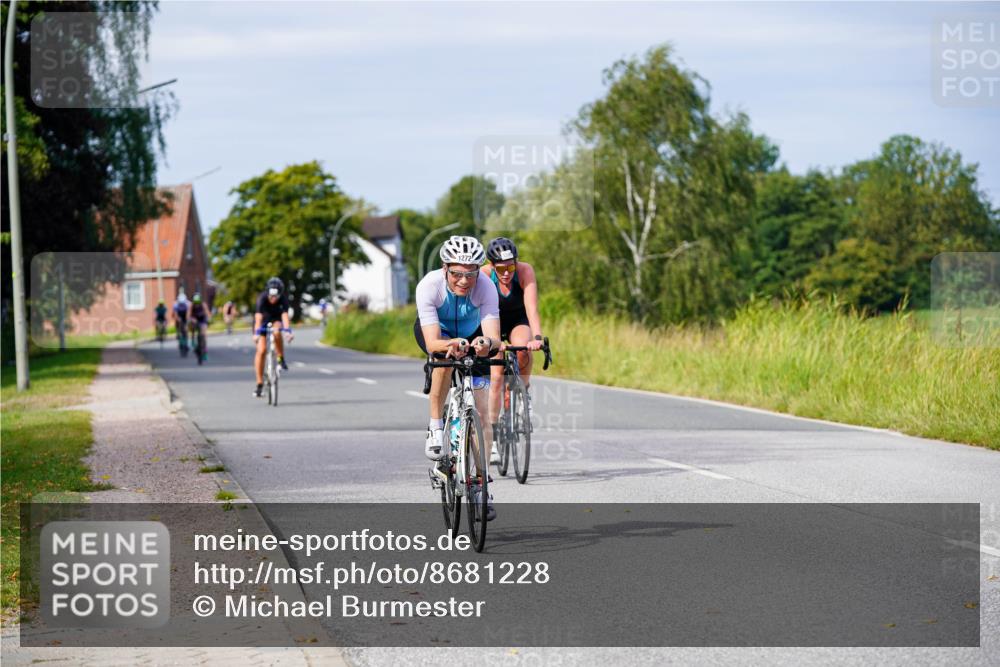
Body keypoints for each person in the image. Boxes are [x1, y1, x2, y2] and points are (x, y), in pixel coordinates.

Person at [414, 235, 502, 521]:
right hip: (437, 332)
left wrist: (486, 344)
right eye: (456, 274)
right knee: (444, 358)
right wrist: (449, 344)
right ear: (445, 269)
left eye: (471, 274)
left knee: (482, 412)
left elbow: (494, 337)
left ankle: (481, 486)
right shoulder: (429, 286)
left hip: (472, 333)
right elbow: (432, 343)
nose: (464, 281)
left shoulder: (486, 287)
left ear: (478, 271)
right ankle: (436, 425)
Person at [481, 237, 545, 460]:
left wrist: (537, 338)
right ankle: (493, 438)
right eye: (501, 269)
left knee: (523, 349)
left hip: (518, 319)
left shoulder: (525, 271)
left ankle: (523, 393)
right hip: (493, 322)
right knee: (497, 377)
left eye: (511, 267)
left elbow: (532, 309)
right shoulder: (484, 276)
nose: (507, 273)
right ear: (491, 265)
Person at [253, 277, 294, 397]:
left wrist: (288, 331)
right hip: (262, 322)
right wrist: (256, 334)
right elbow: (258, 317)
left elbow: (285, 316)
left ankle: (281, 358)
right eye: (271, 296)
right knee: (261, 351)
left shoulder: (284, 300)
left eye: (276, 296)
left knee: (277, 332)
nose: (273, 299)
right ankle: (259, 384)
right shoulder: (261, 298)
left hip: (276, 320)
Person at [188, 293, 212, 361]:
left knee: (203, 334)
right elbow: (188, 314)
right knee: (192, 327)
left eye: (198, 302)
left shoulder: (203, 304)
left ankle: (205, 352)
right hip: (194, 319)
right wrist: (190, 319)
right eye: (195, 302)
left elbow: (207, 312)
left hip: (202, 320)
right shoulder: (192, 305)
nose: (197, 304)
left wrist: (209, 318)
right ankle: (193, 340)